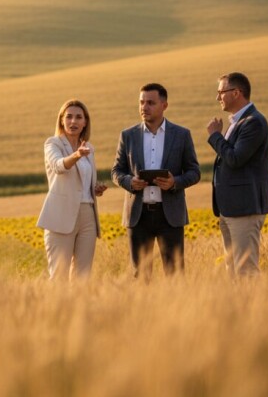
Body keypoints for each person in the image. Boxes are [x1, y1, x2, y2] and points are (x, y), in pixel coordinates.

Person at [111, 83, 200, 280]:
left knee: (175, 274)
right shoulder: (128, 135)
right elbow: (116, 171)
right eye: (141, 102)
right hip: (138, 215)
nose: (144, 107)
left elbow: (194, 172)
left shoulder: (181, 134)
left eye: (150, 103)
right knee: (141, 275)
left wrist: (174, 182)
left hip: (170, 216)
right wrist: (129, 182)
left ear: (164, 105)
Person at [206, 72, 268, 276]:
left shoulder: (254, 122)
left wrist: (215, 136)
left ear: (236, 93)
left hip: (244, 207)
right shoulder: (238, 121)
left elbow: (235, 158)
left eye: (221, 92)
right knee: (233, 269)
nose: (218, 98)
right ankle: (240, 307)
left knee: (246, 268)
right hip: (231, 208)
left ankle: (257, 307)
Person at [36, 99, 107, 280]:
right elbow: (58, 166)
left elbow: (82, 181)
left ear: (85, 122)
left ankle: (78, 309)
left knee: (82, 278)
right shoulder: (53, 144)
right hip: (61, 215)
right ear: (61, 120)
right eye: (68, 117)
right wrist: (76, 155)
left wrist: (95, 188)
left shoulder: (89, 147)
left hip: (88, 215)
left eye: (78, 117)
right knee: (59, 277)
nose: (73, 121)